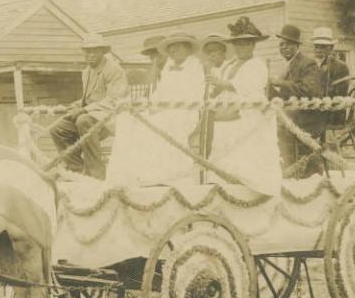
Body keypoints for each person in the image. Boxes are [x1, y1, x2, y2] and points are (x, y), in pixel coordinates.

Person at [107, 32, 206, 186]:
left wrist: (164, 107)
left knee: (159, 123)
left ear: (187, 49)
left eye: (178, 48)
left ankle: (166, 172)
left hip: (185, 112)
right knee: (128, 120)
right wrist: (145, 105)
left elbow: (194, 95)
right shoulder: (168, 67)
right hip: (164, 110)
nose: (174, 52)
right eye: (172, 49)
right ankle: (132, 171)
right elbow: (159, 93)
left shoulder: (195, 67)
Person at [206, 17, 282, 195]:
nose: (241, 48)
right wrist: (215, 89)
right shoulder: (231, 64)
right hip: (228, 106)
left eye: (246, 44)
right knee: (218, 125)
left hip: (250, 108)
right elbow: (222, 85)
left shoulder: (257, 64)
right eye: (238, 44)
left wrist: (223, 84)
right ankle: (223, 178)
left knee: (241, 136)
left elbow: (247, 87)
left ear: (253, 45)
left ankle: (244, 181)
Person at [50, 33, 129, 179]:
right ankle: (77, 170)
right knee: (58, 128)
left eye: (94, 51)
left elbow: (114, 100)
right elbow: (90, 99)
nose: (90, 55)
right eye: (87, 51)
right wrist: (76, 105)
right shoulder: (86, 71)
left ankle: (96, 173)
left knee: (83, 120)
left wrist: (83, 109)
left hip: (112, 118)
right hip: (92, 116)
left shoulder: (114, 69)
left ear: (102, 51)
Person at [268, 24, 323, 176]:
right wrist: (269, 89)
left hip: (309, 114)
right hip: (293, 112)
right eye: (281, 45)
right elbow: (284, 96)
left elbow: (310, 91)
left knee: (279, 122)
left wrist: (280, 83)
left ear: (296, 46)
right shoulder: (288, 65)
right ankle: (286, 166)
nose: (283, 48)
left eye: (288, 45)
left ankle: (297, 168)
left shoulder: (308, 64)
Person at [312, 26, 351, 131]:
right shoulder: (310, 65)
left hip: (333, 112)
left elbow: (339, 94)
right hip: (315, 108)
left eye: (323, 47)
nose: (319, 50)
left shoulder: (341, 67)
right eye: (316, 47)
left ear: (331, 48)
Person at [200, 33, 229, 159]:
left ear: (223, 52)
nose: (212, 54)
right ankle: (205, 157)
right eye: (209, 52)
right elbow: (206, 93)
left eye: (215, 51)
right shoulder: (208, 69)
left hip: (228, 107)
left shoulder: (229, 67)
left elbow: (227, 88)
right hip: (211, 108)